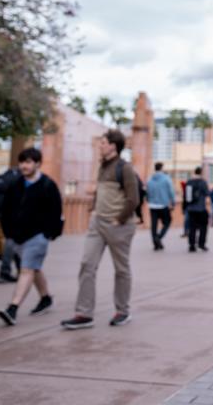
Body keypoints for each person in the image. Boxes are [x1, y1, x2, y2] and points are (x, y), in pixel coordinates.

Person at [61, 130, 139, 329]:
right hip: (98, 224)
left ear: (113, 146)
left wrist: (118, 220)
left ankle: (122, 311)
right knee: (87, 264)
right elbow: (100, 190)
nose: (100, 146)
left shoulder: (125, 168)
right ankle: (84, 313)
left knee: (121, 269)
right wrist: (94, 210)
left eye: (103, 143)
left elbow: (133, 199)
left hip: (119, 226)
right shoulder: (102, 166)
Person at [0, 148, 63, 326]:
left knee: (26, 270)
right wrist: (8, 231)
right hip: (17, 236)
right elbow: (6, 209)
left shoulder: (48, 185)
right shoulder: (15, 184)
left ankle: (12, 308)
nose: (24, 166)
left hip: (38, 236)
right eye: (22, 162)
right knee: (33, 268)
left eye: (28, 162)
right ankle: (45, 298)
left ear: (37, 164)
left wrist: (49, 233)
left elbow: (56, 211)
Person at [146, 162, 176, 250]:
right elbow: (171, 191)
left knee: (154, 225)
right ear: (162, 168)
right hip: (163, 205)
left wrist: (149, 200)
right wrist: (173, 203)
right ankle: (158, 237)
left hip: (152, 205)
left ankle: (155, 243)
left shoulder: (150, 179)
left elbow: (147, 192)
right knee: (167, 222)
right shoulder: (166, 178)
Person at [183, 166, 209, 252]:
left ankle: (192, 245)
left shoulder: (189, 182)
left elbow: (185, 195)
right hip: (201, 208)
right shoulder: (203, 182)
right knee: (203, 227)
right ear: (201, 172)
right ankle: (201, 244)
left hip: (191, 209)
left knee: (192, 227)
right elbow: (207, 193)